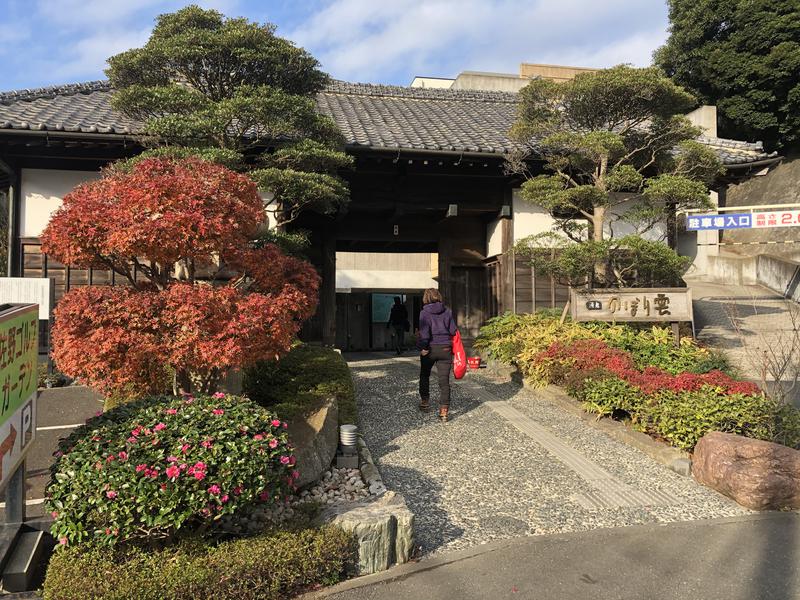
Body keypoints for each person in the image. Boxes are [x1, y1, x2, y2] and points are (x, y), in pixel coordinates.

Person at [416, 288, 457, 422]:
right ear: (438, 297)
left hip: (430, 349)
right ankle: (444, 411)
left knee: (424, 375)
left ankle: (425, 402)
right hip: (445, 349)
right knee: (444, 380)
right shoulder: (448, 311)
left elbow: (425, 333)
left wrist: (424, 348)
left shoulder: (424, 313)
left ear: (426, 298)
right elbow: (453, 330)